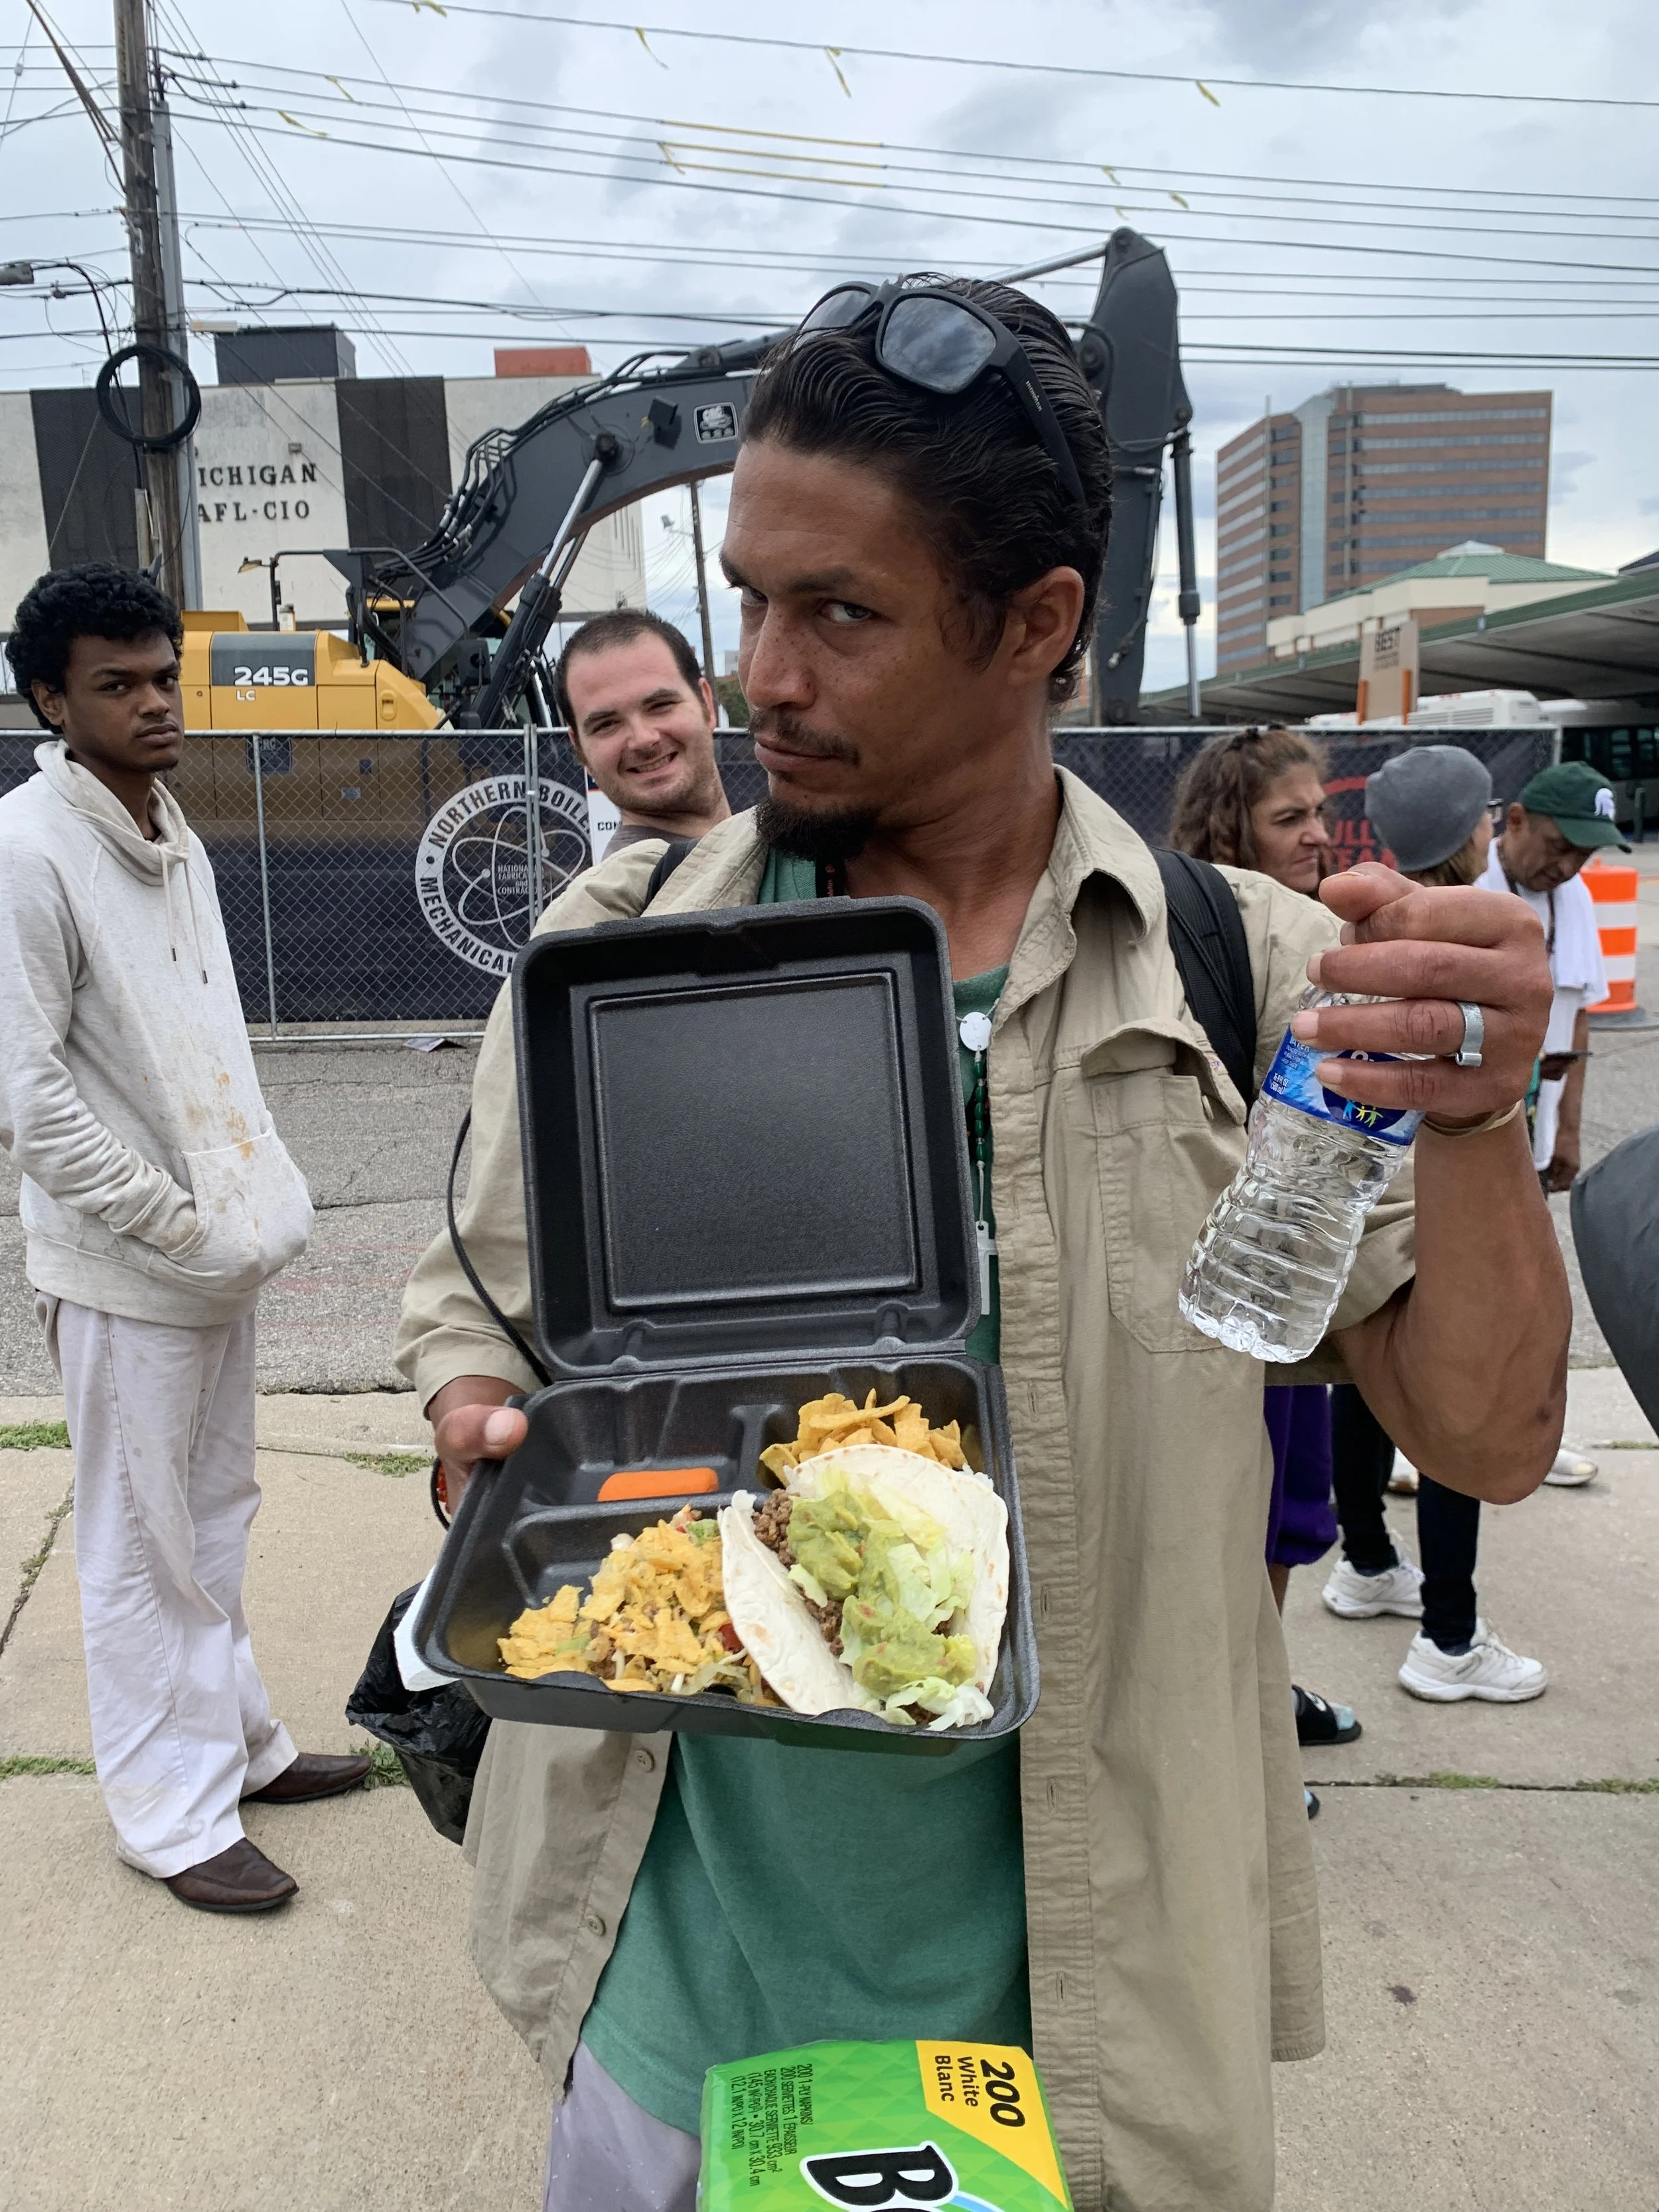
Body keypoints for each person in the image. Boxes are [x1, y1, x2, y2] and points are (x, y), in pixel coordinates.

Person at [396, 276, 1567, 2212]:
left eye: (837, 614)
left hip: (1067, 2027)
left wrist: (1464, 1114)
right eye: (749, 595)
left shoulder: (1250, 985)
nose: (760, 673)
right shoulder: (613, 959)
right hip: (673, 1990)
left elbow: (1489, 1438)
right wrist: (467, 1395)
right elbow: (479, 1290)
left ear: (1033, 625)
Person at [0, 563, 368, 1915]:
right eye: (118, 684)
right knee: (136, 1541)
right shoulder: (27, 845)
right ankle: (166, 1816)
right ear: (50, 697)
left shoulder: (170, 825)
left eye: (163, 675)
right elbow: (29, 1096)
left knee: (211, 1516)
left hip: (214, 1255)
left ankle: (242, 1749)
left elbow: (205, 1044)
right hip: (125, 1267)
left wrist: (247, 1203)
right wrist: (171, 1223)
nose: (156, 702)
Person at [1320, 742, 1548, 1702]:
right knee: (1452, 1395)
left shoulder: (1355, 931)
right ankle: (1449, 1634)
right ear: (1472, 830)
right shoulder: (1474, 940)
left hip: (1353, 1184)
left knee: (1363, 1380)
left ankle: (1366, 1560)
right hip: (1433, 1186)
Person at [1169, 724, 1356, 1791]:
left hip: (1292, 1278)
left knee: (1287, 1521)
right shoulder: (1196, 935)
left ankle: (1262, 1702)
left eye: (1320, 813)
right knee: (1224, 1523)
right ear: (1234, 824)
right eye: (1292, 818)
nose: (1319, 836)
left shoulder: (1321, 933)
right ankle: (1234, 1738)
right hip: (1217, 1283)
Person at [1482, 759, 1626, 1485]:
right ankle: (1423, 1438)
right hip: (1461, 1138)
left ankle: (1528, 1435)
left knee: (1528, 1296)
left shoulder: (1573, 900)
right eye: (1560, 845)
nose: (1569, 865)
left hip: (1529, 1137)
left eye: (1586, 853)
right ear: (1514, 822)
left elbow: (1581, 1019)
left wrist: (1567, 1130)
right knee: (1441, 1290)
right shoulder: (1468, 891)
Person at [553, 607, 731, 857]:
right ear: (579, 749)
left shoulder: (770, 844)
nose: (643, 739)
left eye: (660, 706)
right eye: (606, 724)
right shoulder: (622, 892)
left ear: (706, 704)